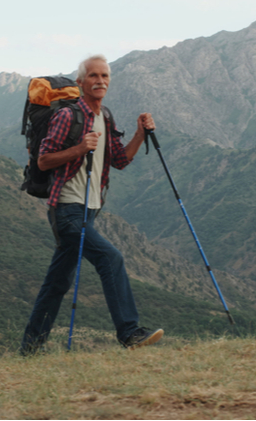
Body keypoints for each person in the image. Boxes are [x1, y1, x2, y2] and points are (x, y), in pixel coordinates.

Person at [20, 54, 163, 354]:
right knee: (111, 259)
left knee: (57, 283)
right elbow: (44, 160)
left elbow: (120, 160)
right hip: (67, 210)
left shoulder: (105, 117)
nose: (100, 81)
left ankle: (30, 349)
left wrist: (140, 133)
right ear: (80, 82)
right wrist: (79, 148)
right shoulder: (67, 116)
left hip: (90, 210)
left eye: (105, 76)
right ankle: (129, 332)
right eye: (93, 76)